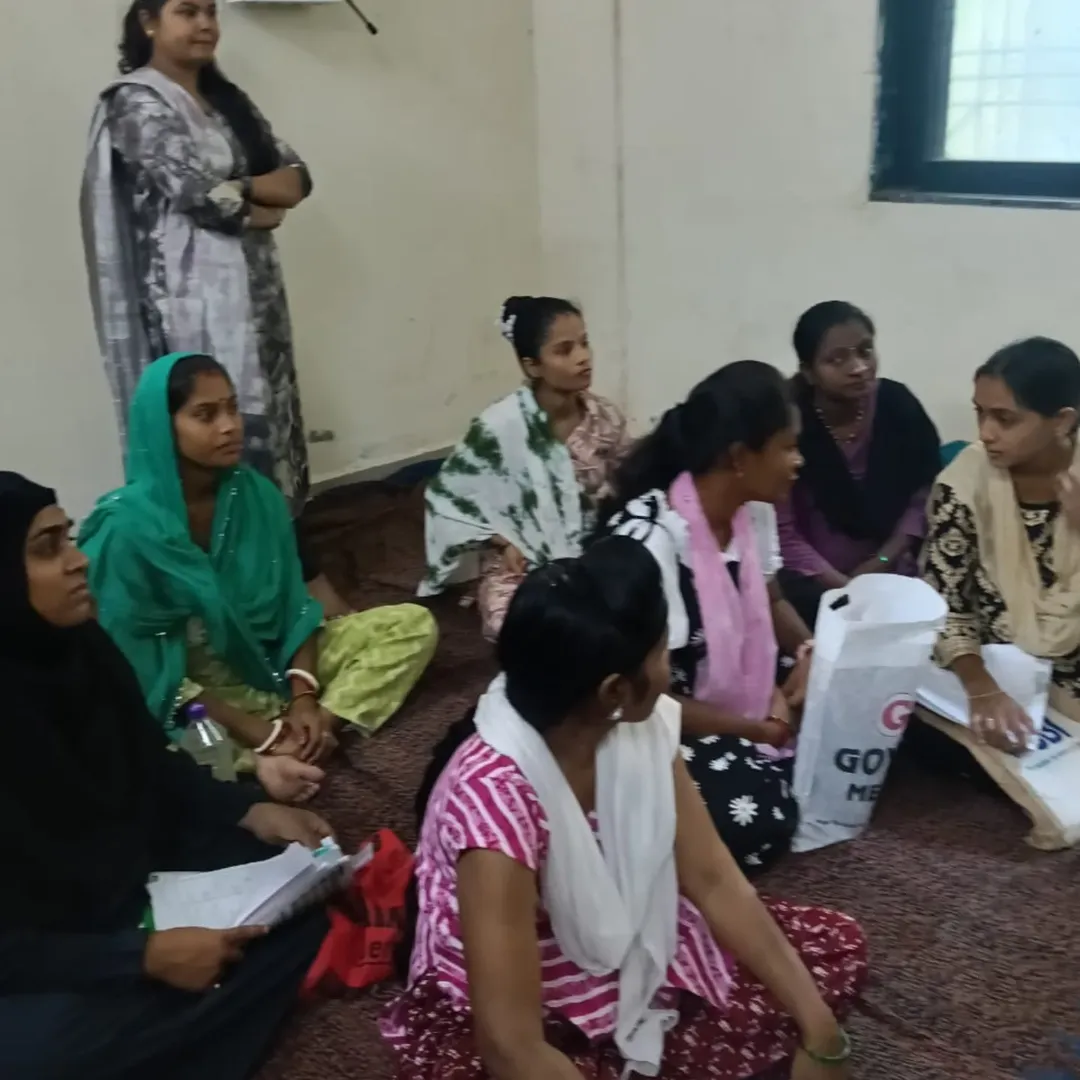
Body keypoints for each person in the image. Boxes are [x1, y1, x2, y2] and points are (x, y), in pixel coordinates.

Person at [383, 538, 866, 1080]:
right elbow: (509, 1044)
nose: (669, 670)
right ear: (614, 689)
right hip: (524, 1000)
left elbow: (714, 881)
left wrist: (822, 1034)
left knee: (827, 956)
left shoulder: (636, 727)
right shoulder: (493, 801)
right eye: (662, 653)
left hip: (627, 944)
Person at [0, 471, 334, 1080]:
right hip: (41, 947)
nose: (78, 562)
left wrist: (246, 807)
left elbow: (153, 759)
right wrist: (140, 958)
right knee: (38, 1056)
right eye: (47, 549)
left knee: (298, 894)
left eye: (68, 539)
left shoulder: (82, 647)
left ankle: (181, 1010)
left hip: (131, 869)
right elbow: (10, 952)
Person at [81, 0, 347, 612]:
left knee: (271, 449)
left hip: (258, 305)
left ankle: (292, 582)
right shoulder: (135, 103)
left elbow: (298, 177)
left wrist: (244, 191)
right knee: (210, 445)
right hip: (186, 310)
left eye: (210, 11)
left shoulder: (228, 102)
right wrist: (254, 202)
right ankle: (228, 602)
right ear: (148, 21)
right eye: (186, 11)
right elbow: (195, 194)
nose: (204, 24)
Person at [79, 353, 438, 802]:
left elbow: (296, 608)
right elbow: (149, 673)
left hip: (276, 663)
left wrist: (306, 701)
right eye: (205, 415)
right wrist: (260, 734)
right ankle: (263, 763)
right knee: (156, 743)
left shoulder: (256, 496)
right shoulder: (125, 532)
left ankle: (314, 736)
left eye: (231, 408)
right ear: (162, 427)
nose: (229, 426)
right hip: (194, 696)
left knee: (411, 625)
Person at [596, 362, 812, 873]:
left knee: (867, 697)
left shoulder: (751, 511)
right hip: (644, 716)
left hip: (738, 696)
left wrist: (808, 653)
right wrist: (757, 727)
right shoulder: (652, 543)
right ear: (739, 457)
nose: (798, 462)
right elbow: (643, 697)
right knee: (757, 818)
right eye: (786, 447)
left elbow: (771, 598)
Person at [420, 296, 631, 640]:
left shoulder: (605, 419)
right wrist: (503, 543)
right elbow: (447, 498)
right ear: (533, 366)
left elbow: (631, 480)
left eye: (584, 342)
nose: (583, 357)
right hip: (523, 560)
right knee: (515, 627)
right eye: (564, 350)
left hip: (594, 550)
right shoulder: (499, 427)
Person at [920, 337, 1080, 761]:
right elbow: (946, 609)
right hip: (1000, 666)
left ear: (1062, 422)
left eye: (1005, 419)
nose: (985, 433)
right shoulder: (965, 485)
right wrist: (983, 690)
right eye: (980, 413)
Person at [777, 301, 941, 628]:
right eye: (836, 359)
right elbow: (784, 532)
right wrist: (847, 588)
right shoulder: (790, 424)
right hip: (814, 586)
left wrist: (880, 564)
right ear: (808, 371)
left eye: (865, 351)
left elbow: (927, 494)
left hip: (898, 572)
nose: (858, 367)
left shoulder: (897, 405)